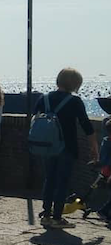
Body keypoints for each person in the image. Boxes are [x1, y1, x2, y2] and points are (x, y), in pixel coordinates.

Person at [35, 68, 98, 229]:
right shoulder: (75, 101)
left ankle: (46, 213)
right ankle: (57, 217)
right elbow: (86, 126)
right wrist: (94, 148)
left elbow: (35, 119)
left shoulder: (44, 98)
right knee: (62, 182)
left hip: (47, 146)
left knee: (49, 179)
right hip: (67, 147)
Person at [95, 118, 111, 223]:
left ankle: (104, 211)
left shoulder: (106, 141)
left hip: (105, 171)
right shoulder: (108, 143)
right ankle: (105, 213)